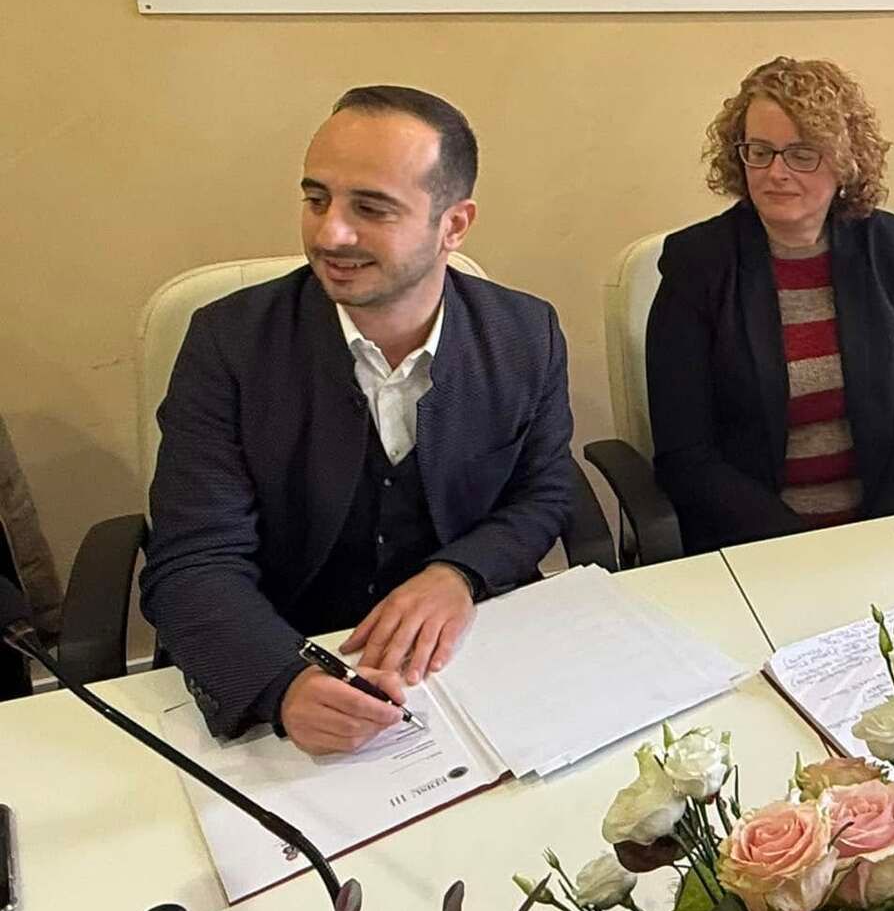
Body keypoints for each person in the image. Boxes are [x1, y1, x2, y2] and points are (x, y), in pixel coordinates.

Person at [141, 87, 577, 754]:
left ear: (454, 226)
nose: (329, 234)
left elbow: (543, 492)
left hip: (469, 663)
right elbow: (194, 558)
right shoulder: (228, 343)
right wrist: (280, 682)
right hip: (286, 654)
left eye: (371, 208)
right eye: (317, 200)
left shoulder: (526, 333)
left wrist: (459, 573)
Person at [647, 58, 894, 552]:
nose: (776, 172)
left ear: (844, 160)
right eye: (759, 151)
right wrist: (799, 547)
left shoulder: (890, 247)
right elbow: (685, 454)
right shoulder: (697, 264)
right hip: (756, 540)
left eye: (801, 154)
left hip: (885, 526)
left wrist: (882, 530)